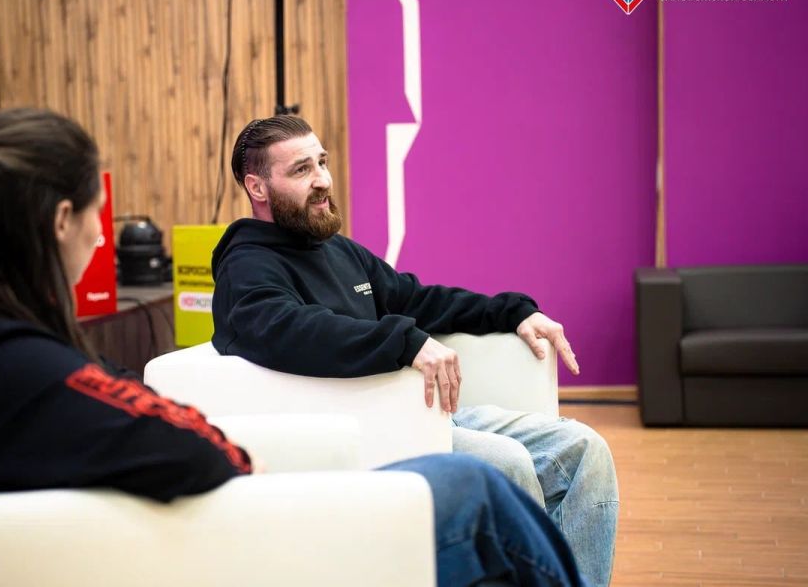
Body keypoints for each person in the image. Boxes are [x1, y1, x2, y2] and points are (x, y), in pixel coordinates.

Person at [0, 107, 589, 587]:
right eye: (97, 215)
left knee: (550, 458)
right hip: (255, 542)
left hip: (244, 517)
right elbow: (168, 432)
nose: (99, 235)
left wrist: (512, 311)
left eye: (322, 162)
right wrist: (236, 454)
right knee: (478, 483)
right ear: (63, 220)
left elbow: (121, 416)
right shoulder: (13, 362)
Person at [211, 115, 619, 587]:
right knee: (508, 462)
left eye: (321, 162)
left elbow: (417, 299)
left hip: (426, 414)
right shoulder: (247, 267)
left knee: (584, 450)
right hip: (367, 429)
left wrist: (512, 313)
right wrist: (404, 341)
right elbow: (288, 329)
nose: (322, 180)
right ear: (257, 187)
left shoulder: (339, 251)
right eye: (301, 170)